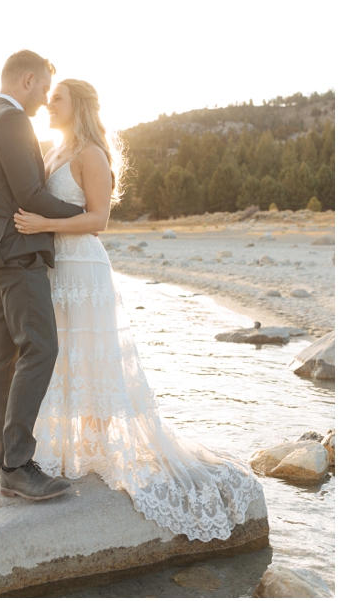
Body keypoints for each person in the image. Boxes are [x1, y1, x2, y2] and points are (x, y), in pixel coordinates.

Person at [13, 79, 262, 541]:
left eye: (57, 99)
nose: (49, 104)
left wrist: (44, 224)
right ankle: (71, 451)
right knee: (61, 355)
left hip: (83, 266)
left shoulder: (92, 154)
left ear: (79, 106)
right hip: (53, 269)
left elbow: (99, 220)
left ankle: (100, 450)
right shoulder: (52, 150)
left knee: (94, 359)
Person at [0, 50, 85, 501]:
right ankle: (17, 465)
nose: (42, 102)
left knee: (3, 354)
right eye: (42, 91)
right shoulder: (13, 122)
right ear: (29, 80)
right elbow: (31, 195)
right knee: (40, 348)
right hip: (17, 253)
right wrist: (86, 214)